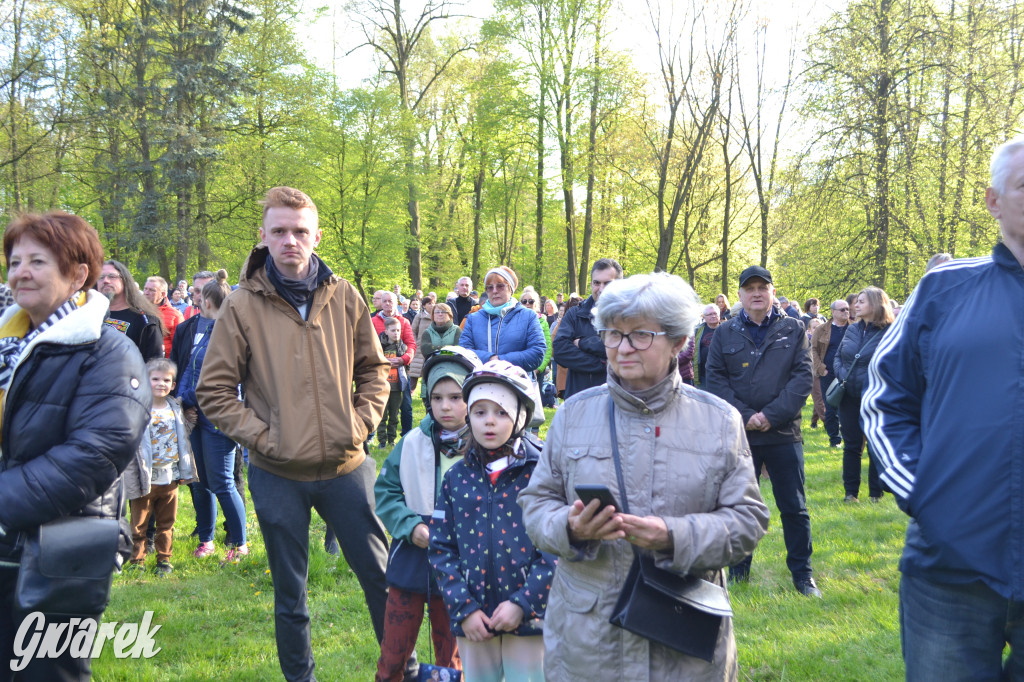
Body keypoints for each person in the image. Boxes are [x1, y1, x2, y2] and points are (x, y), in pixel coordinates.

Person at [519, 272, 769, 681]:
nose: (622, 347)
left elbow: (747, 521)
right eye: (613, 334)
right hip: (589, 640)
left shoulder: (719, 420)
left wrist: (673, 536)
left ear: (677, 341)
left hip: (684, 644)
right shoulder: (573, 414)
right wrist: (571, 527)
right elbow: (536, 504)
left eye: (640, 335)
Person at [198, 186, 395, 681]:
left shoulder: (345, 295)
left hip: (346, 466)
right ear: (263, 235)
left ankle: (402, 670)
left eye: (300, 231)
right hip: (276, 472)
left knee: (382, 579)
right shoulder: (241, 305)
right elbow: (215, 391)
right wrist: (265, 439)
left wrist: (360, 423)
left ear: (316, 236)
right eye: (280, 231)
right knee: (291, 593)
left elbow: (375, 371)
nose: (291, 240)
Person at [863, 137, 1024, 680]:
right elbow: (885, 398)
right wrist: (923, 495)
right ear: (992, 200)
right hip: (949, 570)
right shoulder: (943, 289)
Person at [0, 211, 150, 679]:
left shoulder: (108, 350)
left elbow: (95, 453)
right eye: (15, 259)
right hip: (6, 538)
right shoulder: (8, 342)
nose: (20, 271)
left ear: (78, 274)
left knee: (45, 672)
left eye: (38, 261)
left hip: (61, 551)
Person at [429, 360, 556, 682]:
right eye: (479, 411)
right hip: (474, 621)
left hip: (531, 619)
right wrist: (464, 608)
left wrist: (525, 603)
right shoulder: (456, 478)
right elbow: (441, 547)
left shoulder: (542, 474)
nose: (489, 422)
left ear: (521, 417)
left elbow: (557, 547)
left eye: (501, 412)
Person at [705, 265, 819, 597]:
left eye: (762, 287)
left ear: (772, 292)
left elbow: (802, 378)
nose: (756, 293)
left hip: (783, 434)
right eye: (750, 288)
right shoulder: (724, 333)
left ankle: (803, 575)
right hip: (741, 436)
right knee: (740, 505)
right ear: (739, 295)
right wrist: (745, 416)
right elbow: (715, 380)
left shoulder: (794, 329)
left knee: (794, 507)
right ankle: (738, 572)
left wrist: (771, 415)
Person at [373, 347, 480, 681]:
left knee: (451, 654)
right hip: (411, 560)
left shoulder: (486, 447)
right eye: (436, 398)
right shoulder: (411, 442)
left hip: (461, 568)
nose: (445, 406)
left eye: (455, 397)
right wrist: (410, 526)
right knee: (394, 651)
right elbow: (386, 492)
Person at [179, 271, 249, 562]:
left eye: (199, 296)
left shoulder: (233, 332)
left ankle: (240, 544)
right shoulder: (208, 328)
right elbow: (190, 370)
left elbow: (219, 381)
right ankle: (206, 540)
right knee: (201, 479)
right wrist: (181, 401)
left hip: (220, 419)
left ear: (207, 300)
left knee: (222, 482)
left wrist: (188, 399)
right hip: (196, 415)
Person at [125, 358, 197, 576]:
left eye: (166, 380)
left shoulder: (175, 407)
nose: (161, 383)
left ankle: (164, 561)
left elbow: (184, 434)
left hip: (170, 477)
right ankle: (137, 560)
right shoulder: (137, 408)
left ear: (173, 385)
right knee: (139, 524)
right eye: (155, 379)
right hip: (144, 479)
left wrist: (185, 470)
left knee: (167, 523)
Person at [833, 286, 892, 503]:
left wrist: (873, 383)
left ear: (876, 304)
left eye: (861, 301)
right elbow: (839, 357)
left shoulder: (890, 332)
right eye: (856, 301)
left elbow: (893, 364)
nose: (855, 305)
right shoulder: (851, 329)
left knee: (875, 444)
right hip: (848, 395)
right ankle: (851, 493)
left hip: (875, 396)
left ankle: (876, 493)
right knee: (851, 445)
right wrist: (841, 376)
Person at [552, 257, 623, 398]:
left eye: (607, 283)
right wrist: (602, 363)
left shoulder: (629, 317)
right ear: (591, 284)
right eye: (597, 283)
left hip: (617, 399)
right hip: (579, 399)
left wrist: (582, 343)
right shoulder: (575, 314)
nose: (601, 289)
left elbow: (623, 348)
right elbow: (560, 350)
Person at [459, 266, 546, 377]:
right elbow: (464, 352)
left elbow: (537, 352)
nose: (494, 291)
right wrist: (489, 358)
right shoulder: (473, 319)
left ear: (510, 289)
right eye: (489, 287)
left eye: (500, 286)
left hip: (516, 386)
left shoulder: (528, 316)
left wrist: (501, 360)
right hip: (481, 385)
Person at [98, 259, 165, 361]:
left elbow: (154, 365)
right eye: (101, 277)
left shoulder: (146, 321)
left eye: (112, 276)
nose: (106, 281)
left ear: (125, 280)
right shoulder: (89, 315)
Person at [373, 291, 417, 437]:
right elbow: (368, 345)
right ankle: (373, 436)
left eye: (390, 301)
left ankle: (407, 436)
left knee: (405, 406)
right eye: (384, 301)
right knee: (378, 405)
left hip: (400, 370)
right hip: (380, 371)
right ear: (380, 303)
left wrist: (403, 359)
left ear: (396, 302)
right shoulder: (373, 321)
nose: (387, 304)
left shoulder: (404, 322)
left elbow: (411, 344)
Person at [810, 300, 850, 448]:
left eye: (847, 309)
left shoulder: (854, 328)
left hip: (849, 374)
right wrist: (821, 369)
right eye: (842, 310)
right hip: (829, 374)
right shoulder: (822, 329)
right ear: (833, 312)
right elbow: (813, 349)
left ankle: (850, 437)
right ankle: (835, 439)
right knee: (831, 407)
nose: (846, 312)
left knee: (848, 407)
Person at [377, 317, 408, 448]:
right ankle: (382, 440)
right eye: (393, 330)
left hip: (396, 387)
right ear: (386, 331)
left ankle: (391, 439)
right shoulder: (379, 346)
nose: (396, 333)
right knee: (382, 415)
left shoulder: (402, 346)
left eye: (398, 330)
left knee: (394, 415)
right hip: (383, 386)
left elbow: (407, 366)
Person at [143, 275, 184, 358]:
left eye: (152, 290)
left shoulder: (175, 315)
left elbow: (179, 347)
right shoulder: (136, 310)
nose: (146, 293)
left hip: (161, 365)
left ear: (163, 294)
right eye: (145, 289)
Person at [518, 286, 553, 381]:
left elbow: (548, 348)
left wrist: (538, 369)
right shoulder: (515, 322)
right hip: (518, 370)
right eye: (524, 301)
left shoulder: (543, 322)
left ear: (536, 304)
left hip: (536, 370)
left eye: (531, 301)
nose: (527, 304)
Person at [408, 296, 435, 392]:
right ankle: (410, 393)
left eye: (433, 303)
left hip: (432, 347)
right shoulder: (419, 316)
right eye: (429, 303)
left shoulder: (436, 316)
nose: (432, 305)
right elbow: (413, 330)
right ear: (424, 305)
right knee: (414, 372)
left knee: (428, 372)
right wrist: (416, 343)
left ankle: (427, 394)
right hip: (419, 348)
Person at [692, 303, 721, 388]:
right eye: (710, 314)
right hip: (703, 375)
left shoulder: (726, 329)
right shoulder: (697, 331)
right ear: (704, 317)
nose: (713, 316)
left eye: (715, 313)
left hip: (722, 374)